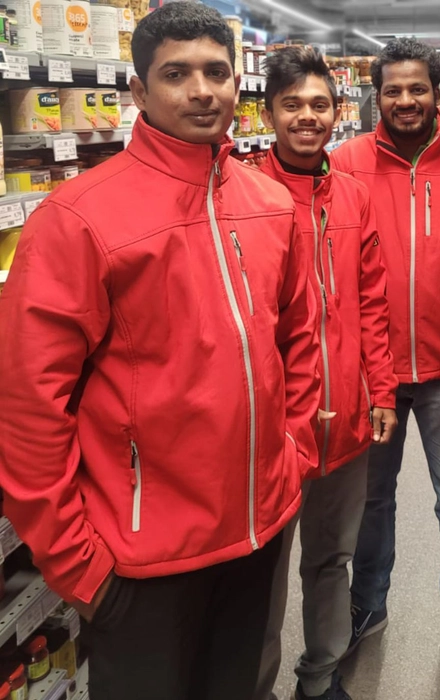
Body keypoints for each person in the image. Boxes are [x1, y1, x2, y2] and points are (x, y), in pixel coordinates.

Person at [0, 5, 321, 700]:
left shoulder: (270, 204)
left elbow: (298, 341)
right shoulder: (77, 219)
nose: (201, 91)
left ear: (236, 82)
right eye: (176, 74)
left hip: (259, 532)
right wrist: (77, 565)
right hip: (141, 561)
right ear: (139, 92)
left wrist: (293, 458)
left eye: (216, 72)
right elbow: (28, 405)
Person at [332, 38, 440, 687]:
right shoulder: (344, 163)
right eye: (393, 90)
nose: (405, 100)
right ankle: (367, 603)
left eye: (417, 88)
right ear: (376, 95)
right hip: (373, 371)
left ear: (438, 91)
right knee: (371, 500)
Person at [255, 46, 398, 700]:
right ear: (269, 113)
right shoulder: (245, 196)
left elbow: (371, 303)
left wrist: (382, 390)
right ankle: (254, 685)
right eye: (292, 105)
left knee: (331, 559)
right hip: (271, 428)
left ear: (336, 112)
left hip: (344, 417)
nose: (306, 117)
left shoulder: (355, 197)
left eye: (318, 104)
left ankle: (320, 677)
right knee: (261, 570)